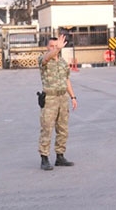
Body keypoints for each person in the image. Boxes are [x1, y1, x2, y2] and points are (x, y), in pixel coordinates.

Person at [38, 35, 78, 171]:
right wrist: (57, 49)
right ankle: (44, 157)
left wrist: (73, 97)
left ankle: (60, 156)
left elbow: (66, 80)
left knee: (63, 129)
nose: (54, 48)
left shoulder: (62, 62)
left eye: (56, 46)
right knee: (47, 128)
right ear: (47, 47)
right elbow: (46, 58)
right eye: (52, 46)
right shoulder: (44, 59)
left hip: (62, 98)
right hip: (50, 98)